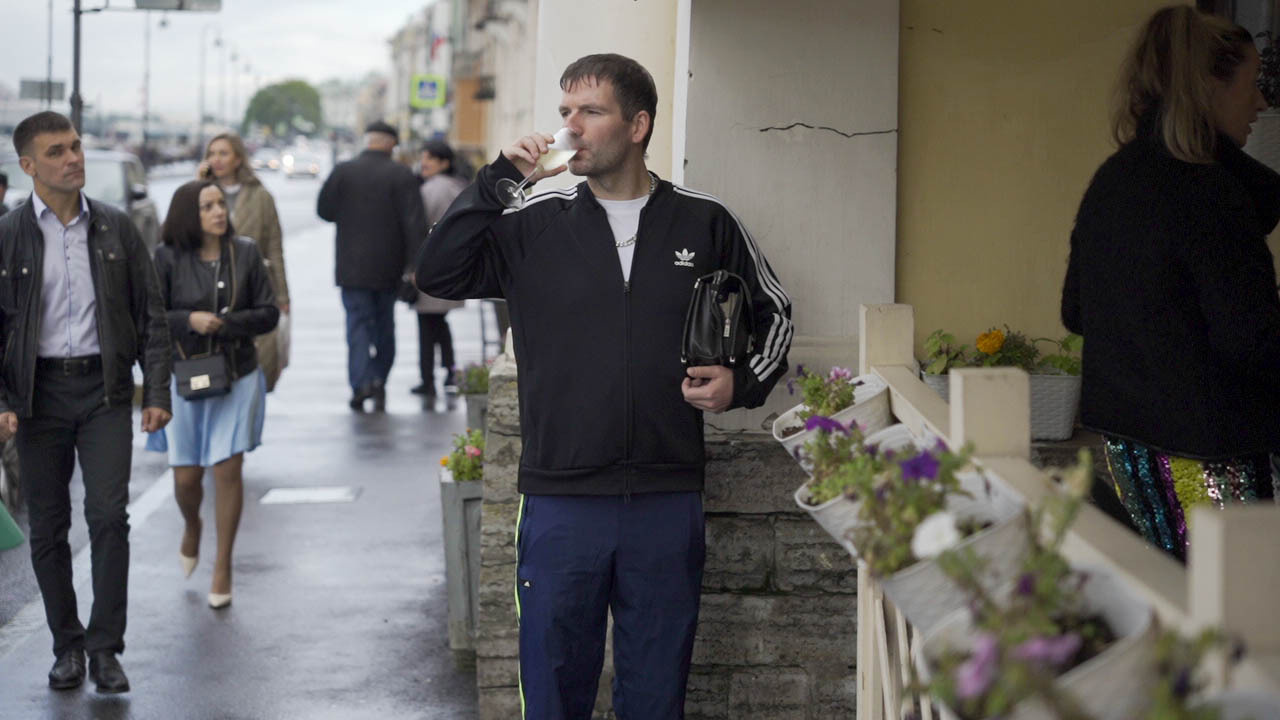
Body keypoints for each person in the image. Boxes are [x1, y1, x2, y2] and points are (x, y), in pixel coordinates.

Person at [416, 54, 793, 719]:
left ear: (637, 125)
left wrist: (741, 383)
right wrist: (501, 178)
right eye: (566, 112)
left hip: (666, 496)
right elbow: (437, 272)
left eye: (591, 112)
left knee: (656, 697)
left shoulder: (704, 222)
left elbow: (776, 315)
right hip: (560, 499)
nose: (571, 127)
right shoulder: (533, 223)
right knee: (554, 696)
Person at [1061, 5, 1280, 562]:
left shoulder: (1114, 179)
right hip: (1215, 454)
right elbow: (1252, 341)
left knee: (1175, 595)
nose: (1261, 103)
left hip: (1130, 448)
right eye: (1251, 84)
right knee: (1236, 602)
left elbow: (1076, 310)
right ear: (1209, 88)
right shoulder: (1210, 194)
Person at [0, 111, 172, 694]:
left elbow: (151, 316)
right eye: (57, 151)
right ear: (28, 165)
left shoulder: (115, 227)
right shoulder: (8, 235)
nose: (73, 158)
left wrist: (157, 392)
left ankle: (105, 650)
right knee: (49, 526)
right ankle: (66, 647)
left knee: (108, 518)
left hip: (104, 391)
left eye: (74, 146)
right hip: (38, 396)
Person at [148, 180, 278, 609]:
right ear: (189, 214)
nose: (219, 211)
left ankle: (223, 565)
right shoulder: (167, 257)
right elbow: (150, 315)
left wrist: (226, 325)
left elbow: (268, 313)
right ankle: (192, 526)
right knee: (186, 478)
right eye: (207, 206)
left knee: (228, 469)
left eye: (221, 203)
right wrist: (190, 319)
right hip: (186, 377)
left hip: (237, 374)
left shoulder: (245, 253)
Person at [317, 120, 428, 412]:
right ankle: (378, 378)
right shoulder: (402, 175)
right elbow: (415, 224)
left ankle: (360, 383)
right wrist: (414, 266)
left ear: (368, 140)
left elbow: (324, 210)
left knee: (357, 327)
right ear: (391, 143)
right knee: (384, 327)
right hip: (389, 268)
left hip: (351, 267)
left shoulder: (344, 171)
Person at [198, 133, 290, 392]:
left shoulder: (260, 196)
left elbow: (274, 247)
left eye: (223, 153)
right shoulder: (199, 194)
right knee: (212, 362)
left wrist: (283, 295)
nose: (216, 159)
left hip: (252, 288)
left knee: (261, 358)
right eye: (211, 154)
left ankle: (252, 401)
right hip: (209, 288)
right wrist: (199, 183)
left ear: (238, 159)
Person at [411, 139, 468, 397]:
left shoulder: (433, 189)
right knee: (438, 322)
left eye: (430, 158)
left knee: (427, 324)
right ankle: (449, 371)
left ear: (444, 163)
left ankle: (428, 379)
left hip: (431, 264)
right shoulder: (458, 186)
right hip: (453, 264)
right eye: (423, 157)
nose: (424, 162)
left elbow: (419, 226)